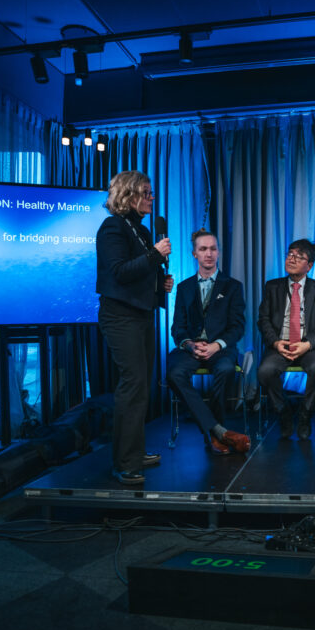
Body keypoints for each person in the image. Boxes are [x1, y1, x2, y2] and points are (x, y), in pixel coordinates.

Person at [96, 170, 174, 485]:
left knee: (142, 386)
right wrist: (155, 255)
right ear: (128, 195)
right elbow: (119, 273)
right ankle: (125, 462)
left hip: (141, 315)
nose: (151, 198)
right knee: (132, 386)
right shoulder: (112, 227)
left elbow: (140, 273)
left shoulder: (140, 229)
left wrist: (160, 284)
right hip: (120, 317)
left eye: (151, 192)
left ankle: (135, 452)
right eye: (146, 193)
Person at [165, 230, 251, 455]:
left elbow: (237, 326)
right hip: (191, 349)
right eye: (203, 249)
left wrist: (216, 345)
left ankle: (214, 433)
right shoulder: (184, 287)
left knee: (225, 369)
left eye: (213, 248)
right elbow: (177, 328)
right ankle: (217, 432)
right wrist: (190, 345)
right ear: (194, 253)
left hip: (221, 348)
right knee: (174, 373)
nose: (209, 254)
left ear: (219, 252)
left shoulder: (233, 286)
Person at [257, 239, 315, 440]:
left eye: (299, 257)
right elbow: (263, 320)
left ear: (309, 265)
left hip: (309, 346)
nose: (291, 259)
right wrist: (276, 343)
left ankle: (305, 413)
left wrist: (307, 344)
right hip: (280, 344)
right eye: (290, 254)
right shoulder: (272, 286)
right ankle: (283, 411)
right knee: (265, 372)